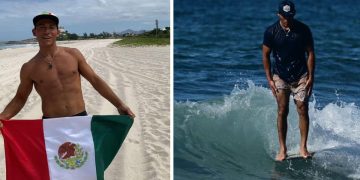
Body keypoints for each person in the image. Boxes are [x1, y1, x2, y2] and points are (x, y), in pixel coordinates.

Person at [0, 12, 135, 129]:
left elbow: (95, 80)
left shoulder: (73, 54)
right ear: (34, 32)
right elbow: (20, 98)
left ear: (58, 32)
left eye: (51, 27)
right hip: (51, 124)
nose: (47, 31)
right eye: (41, 27)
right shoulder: (29, 67)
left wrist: (119, 104)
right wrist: (3, 117)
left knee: (85, 158)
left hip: (79, 119)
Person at [262, 1, 315, 161]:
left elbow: (310, 53)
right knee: (282, 110)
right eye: (284, 17)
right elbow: (265, 54)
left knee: (302, 108)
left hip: (301, 75)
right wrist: (269, 78)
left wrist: (311, 76)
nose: (287, 19)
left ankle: (303, 147)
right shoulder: (271, 31)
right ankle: (282, 149)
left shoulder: (303, 30)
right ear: (279, 15)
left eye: (290, 16)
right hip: (280, 75)